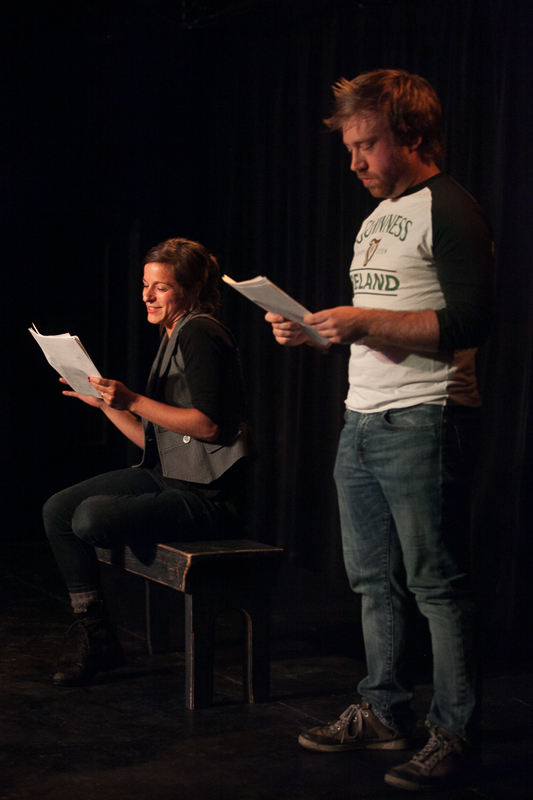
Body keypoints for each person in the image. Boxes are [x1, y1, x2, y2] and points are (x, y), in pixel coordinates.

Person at [266, 70, 494, 792]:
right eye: (350, 148)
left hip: (424, 418)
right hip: (361, 419)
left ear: (413, 136)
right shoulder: (375, 218)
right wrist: (314, 333)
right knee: (373, 581)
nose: (355, 162)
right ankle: (384, 710)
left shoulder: (449, 208)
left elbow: (470, 321)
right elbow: (381, 324)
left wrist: (359, 319)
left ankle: (453, 732)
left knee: (436, 585)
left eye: (366, 145)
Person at [44, 237, 250, 688]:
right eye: (145, 285)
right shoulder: (173, 332)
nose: (148, 296)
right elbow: (153, 442)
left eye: (162, 287)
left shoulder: (199, 332)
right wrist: (107, 405)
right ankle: (96, 634)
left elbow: (210, 426)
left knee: (91, 516)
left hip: (210, 497)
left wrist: (134, 399)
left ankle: (98, 635)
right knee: (59, 510)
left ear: (192, 290)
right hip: (170, 477)